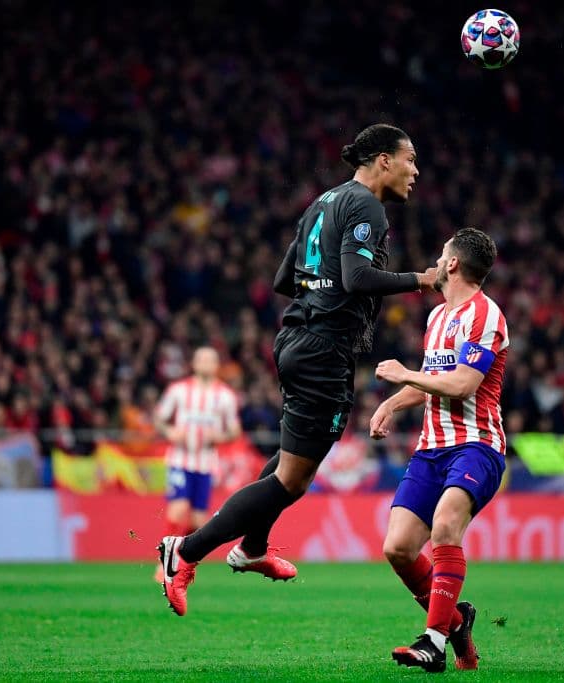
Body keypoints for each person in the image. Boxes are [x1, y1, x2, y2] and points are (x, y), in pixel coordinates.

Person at [158, 123, 437, 616]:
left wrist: (321, 294)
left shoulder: (322, 202)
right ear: (383, 160)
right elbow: (356, 276)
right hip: (323, 349)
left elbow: (284, 279)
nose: (415, 170)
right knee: (291, 479)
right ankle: (184, 551)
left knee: (291, 466)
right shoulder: (367, 206)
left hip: (297, 339)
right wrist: (421, 279)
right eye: (410, 159)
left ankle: (252, 548)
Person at [370, 228, 508, 673]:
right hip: (431, 449)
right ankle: (457, 624)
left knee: (446, 524)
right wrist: (393, 403)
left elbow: (463, 383)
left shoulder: (485, 315)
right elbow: (434, 379)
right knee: (398, 548)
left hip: (476, 445)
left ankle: (433, 641)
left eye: (441, 252)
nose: (436, 259)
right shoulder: (436, 317)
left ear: (452, 264)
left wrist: (405, 374)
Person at [152, 347, 241, 582]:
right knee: (178, 508)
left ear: (217, 365)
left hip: (205, 464)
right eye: (202, 359)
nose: (206, 363)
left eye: (211, 360)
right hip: (180, 460)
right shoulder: (178, 390)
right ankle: (164, 563)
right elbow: (159, 418)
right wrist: (170, 431)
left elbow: (234, 430)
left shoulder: (225, 396)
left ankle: (184, 560)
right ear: (193, 363)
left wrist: (220, 437)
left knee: (198, 521)